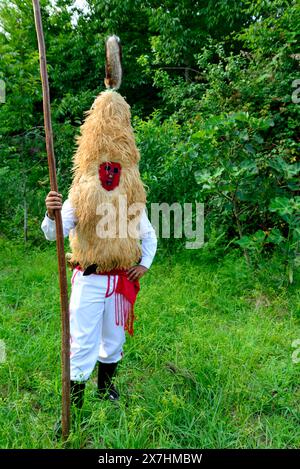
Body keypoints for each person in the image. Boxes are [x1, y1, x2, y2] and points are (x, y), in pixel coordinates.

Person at [41, 190, 157, 407]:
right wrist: (50, 213)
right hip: (88, 280)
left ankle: (105, 389)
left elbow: (148, 235)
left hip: (119, 281)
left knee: (114, 339)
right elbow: (52, 234)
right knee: (82, 340)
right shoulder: (78, 199)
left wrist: (144, 264)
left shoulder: (131, 201)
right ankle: (75, 405)